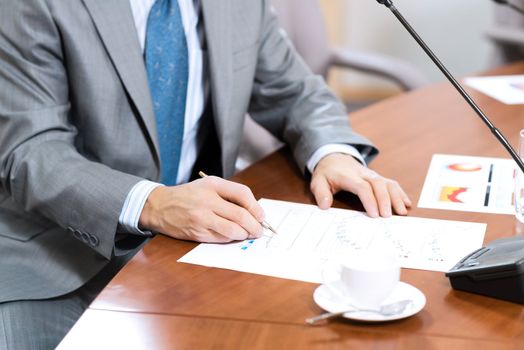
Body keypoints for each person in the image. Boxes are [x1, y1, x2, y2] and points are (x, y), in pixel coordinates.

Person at [0, 0, 411, 348]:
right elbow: (32, 150)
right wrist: (153, 203)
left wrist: (332, 153)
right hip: (58, 253)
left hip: (201, 250)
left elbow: (294, 92)